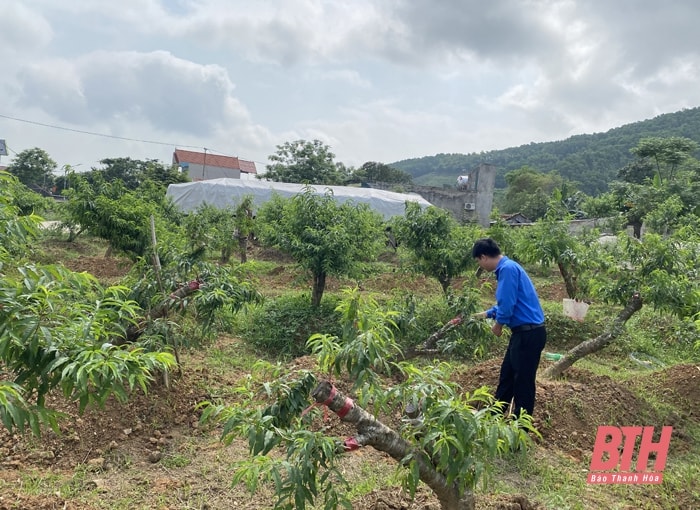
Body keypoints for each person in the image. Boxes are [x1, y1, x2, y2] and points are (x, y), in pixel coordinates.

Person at [472, 238, 546, 419]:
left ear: (483, 257)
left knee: (523, 383)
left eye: (478, 262)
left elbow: (507, 304)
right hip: (524, 334)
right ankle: (494, 418)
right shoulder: (510, 267)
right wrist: (486, 314)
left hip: (528, 334)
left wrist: (498, 324)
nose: (481, 266)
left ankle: (520, 428)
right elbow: (509, 302)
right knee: (507, 376)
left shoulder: (507, 269)